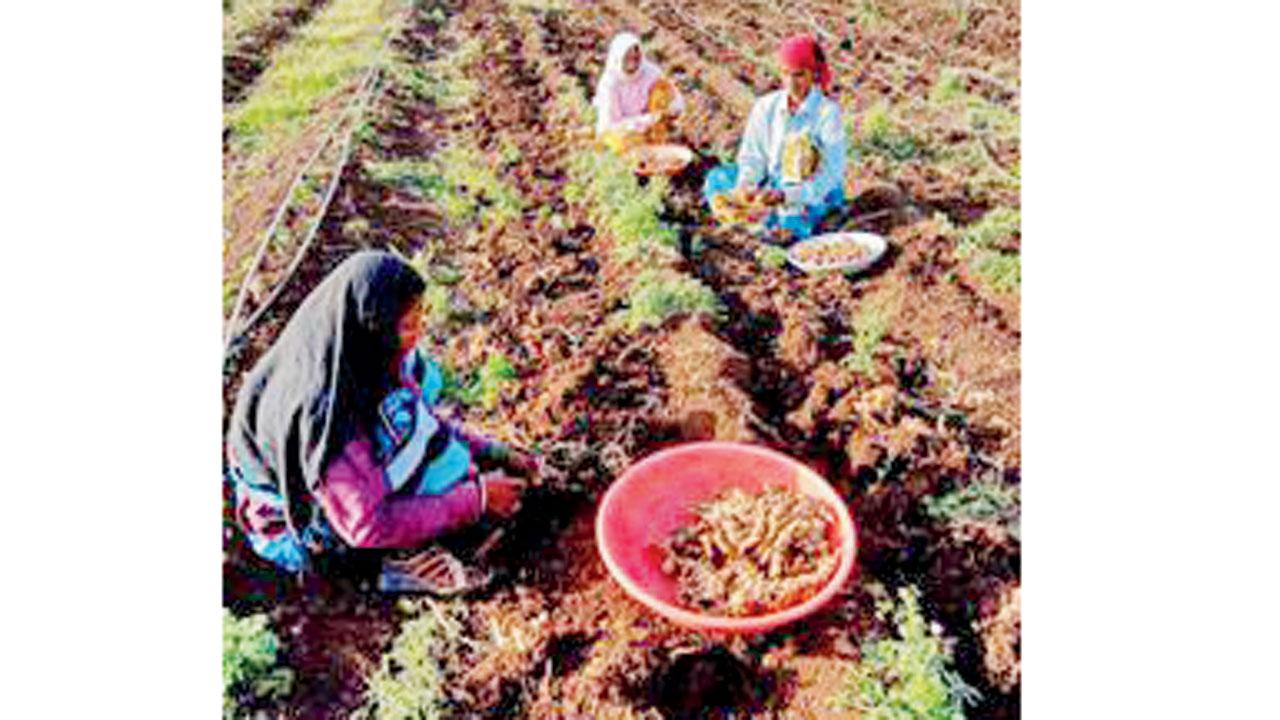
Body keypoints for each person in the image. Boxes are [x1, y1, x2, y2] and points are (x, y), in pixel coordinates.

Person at [226, 251, 545, 594]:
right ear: (371, 326)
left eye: (420, 318)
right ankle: (395, 563)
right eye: (408, 326)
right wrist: (475, 500)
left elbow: (420, 419)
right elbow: (364, 525)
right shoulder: (328, 422)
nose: (418, 334)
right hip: (308, 525)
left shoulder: (365, 351)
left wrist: (492, 451)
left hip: (352, 476)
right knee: (443, 487)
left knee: (440, 455)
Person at [703, 34, 848, 241]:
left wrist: (787, 195)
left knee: (792, 222)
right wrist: (748, 185)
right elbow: (753, 156)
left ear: (813, 74)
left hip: (811, 191)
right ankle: (762, 221)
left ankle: (775, 226)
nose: (791, 83)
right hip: (771, 185)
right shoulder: (766, 107)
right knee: (717, 179)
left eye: (798, 75)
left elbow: (832, 173)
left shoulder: (827, 113)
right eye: (785, 74)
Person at [593, 31, 686, 153]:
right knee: (620, 140)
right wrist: (646, 120)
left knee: (661, 89)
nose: (633, 61)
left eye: (636, 55)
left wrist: (673, 108)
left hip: (651, 124)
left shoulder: (650, 71)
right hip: (624, 129)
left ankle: (659, 144)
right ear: (618, 58)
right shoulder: (610, 83)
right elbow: (612, 124)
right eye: (627, 56)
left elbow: (673, 93)